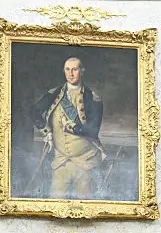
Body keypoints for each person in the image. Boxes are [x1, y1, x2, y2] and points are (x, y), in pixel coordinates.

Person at [30, 57, 105, 200]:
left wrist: (70, 126)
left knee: (85, 204)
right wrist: (46, 132)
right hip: (60, 160)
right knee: (55, 202)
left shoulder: (92, 98)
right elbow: (34, 111)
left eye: (75, 69)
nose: (70, 74)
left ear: (82, 71)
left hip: (85, 161)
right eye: (67, 69)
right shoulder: (54, 94)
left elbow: (93, 130)